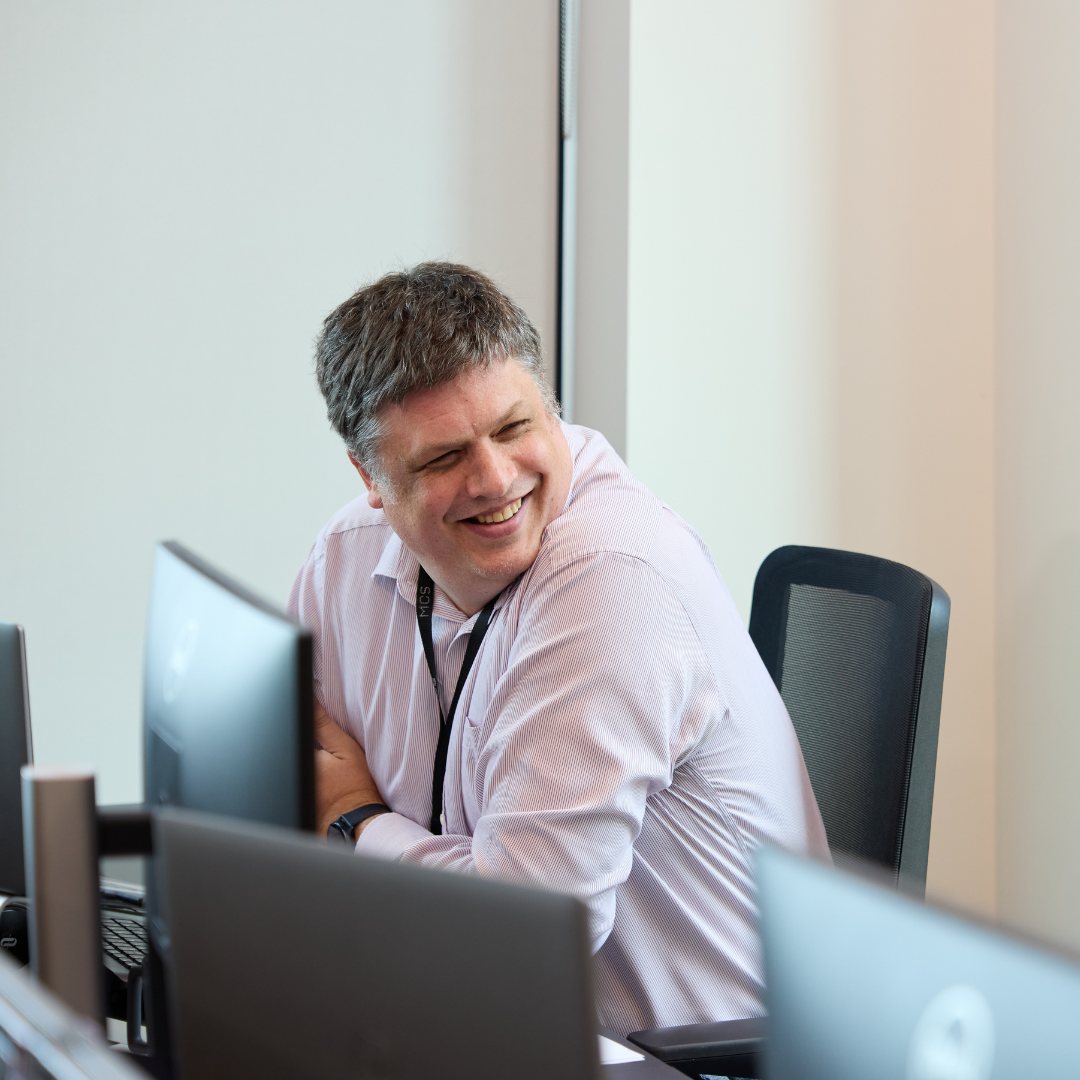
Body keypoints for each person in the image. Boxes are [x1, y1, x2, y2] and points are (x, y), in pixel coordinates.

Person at [289, 261, 828, 1036]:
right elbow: (278, 775)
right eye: (443, 459)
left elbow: (525, 945)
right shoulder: (347, 553)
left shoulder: (615, 579)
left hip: (681, 1057)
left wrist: (353, 820)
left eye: (515, 428)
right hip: (461, 1021)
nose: (495, 480)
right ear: (369, 476)